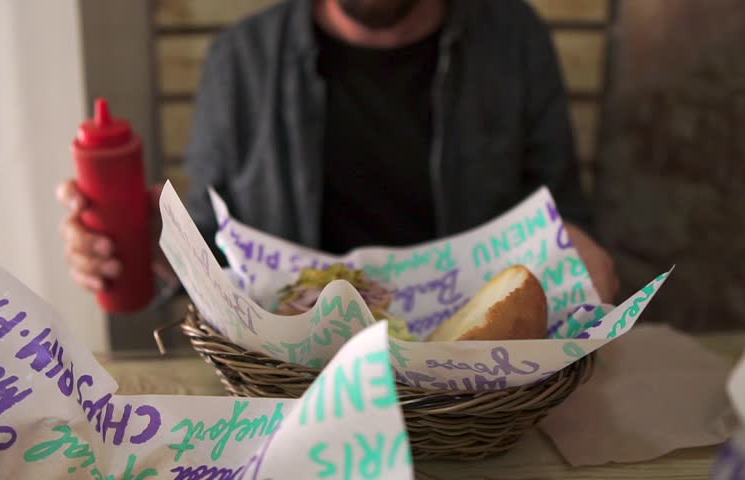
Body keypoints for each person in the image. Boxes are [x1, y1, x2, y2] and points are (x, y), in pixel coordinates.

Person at [58, 0, 620, 304]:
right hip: (293, 384)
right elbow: (214, 244)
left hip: (473, 387)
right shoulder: (241, 59)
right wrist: (159, 250)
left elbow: (562, 214)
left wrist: (575, 259)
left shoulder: (515, 38)